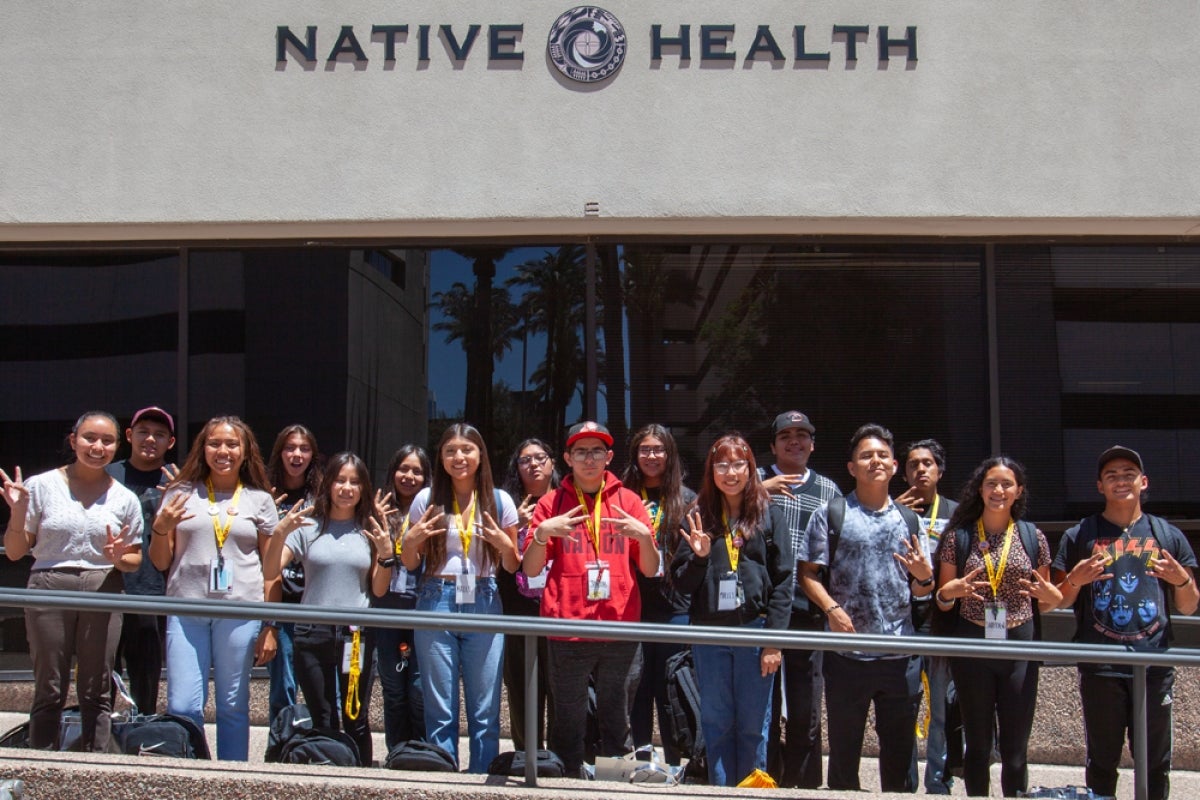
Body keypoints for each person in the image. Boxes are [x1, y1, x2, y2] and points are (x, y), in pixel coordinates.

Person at [1053, 446, 1198, 800]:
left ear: (1143, 482)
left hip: (1153, 664)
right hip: (1101, 665)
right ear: (1099, 486)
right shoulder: (1079, 536)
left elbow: (1190, 606)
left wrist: (1181, 581)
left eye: (1129, 473)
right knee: (1102, 761)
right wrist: (1076, 580)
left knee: (1155, 761)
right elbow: (1055, 601)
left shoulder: (1167, 535)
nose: (1121, 481)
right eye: (1112, 475)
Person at [800, 423, 934, 793]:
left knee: (901, 757)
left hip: (899, 654)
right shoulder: (831, 514)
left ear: (893, 466)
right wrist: (831, 609)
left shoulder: (910, 521)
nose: (874, 461)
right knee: (843, 756)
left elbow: (923, 591)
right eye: (865, 455)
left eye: (881, 455)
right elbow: (808, 574)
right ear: (851, 467)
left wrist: (924, 577)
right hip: (847, 656)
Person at [522, 421, 659, 778]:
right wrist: (541, 534)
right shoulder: (552, 503)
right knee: (567, 719)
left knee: (618, 717)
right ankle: (566, 782)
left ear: (609, 457)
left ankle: (613, 785)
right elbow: (531, 569)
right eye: (580, 451)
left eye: (596, 451)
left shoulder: (628, 501)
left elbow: (649, 568)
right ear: (567, 458)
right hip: (567, 627)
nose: (589, 459)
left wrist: (644, 537)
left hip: (620, 628)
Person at [1, 411, 142, 751]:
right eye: (89, 438)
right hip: (50, 582)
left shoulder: (125, 497)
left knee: (96, 686)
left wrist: (118, 557)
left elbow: (134, 560)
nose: (98, 447)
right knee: (50, 684)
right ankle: (43, 763)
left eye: (107, 441)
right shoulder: (40, 485)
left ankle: (96, 765)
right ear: (73, 440)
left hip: (103, 585)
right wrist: (18, 512)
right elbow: (17, 551)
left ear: (117, 446)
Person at [149, 415, 279, 761]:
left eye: (232, 444)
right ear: (202, 448)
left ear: (245, 451)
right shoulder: (180, 493)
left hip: (240, 611)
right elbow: (162, 562)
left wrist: (270, 625)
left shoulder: (259, 500)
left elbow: (271, 570)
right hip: (187, 609)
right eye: (214, 443)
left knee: (233, 704)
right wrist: (161, 528)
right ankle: (191, 775)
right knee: (182, 703)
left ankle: (232, 778)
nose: (223, 450)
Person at [934, 455, 1060, 797]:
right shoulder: (958, 536)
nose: (998, 490)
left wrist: (1054, 596)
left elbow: (1045, 602)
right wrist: (952, 592)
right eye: (991, 483)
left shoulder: (1033, 537)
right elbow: (942, 599)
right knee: (977, 746)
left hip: (1020, 641)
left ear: (1018, 491)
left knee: (1016, 750)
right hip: (973, 641)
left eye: (1007, 484)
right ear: (980, 488)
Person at [673, 433, 792, 786]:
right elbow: (680, 583)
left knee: (755, 724)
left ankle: (753, 791)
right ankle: (721, 790)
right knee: (716, 722)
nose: (730, 472)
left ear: (750, 469)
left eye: (738, 463)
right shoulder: (696, 516)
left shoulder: (769, 515)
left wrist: (774, 641)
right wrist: (699, 558)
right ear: (711, 471)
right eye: (721, 464)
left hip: (755, 632)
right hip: (710, 633)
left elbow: (784, 580)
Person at [400, 423, 519, 772]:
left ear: (481, 455)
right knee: (440, 706)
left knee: (485, 708)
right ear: (441, 456)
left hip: (484, 596)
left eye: (467, 449)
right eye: (450, 450)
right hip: (435, 596)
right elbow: (410, 563)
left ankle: (482, 777)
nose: (459, 457)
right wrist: (410, 541)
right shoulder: (426, 499)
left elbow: (513, 566)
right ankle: (444, 778)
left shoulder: (500, 500)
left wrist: (504, 545)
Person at [266, 452, 391, 765]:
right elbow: (270, 572)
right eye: (340, 480)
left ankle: (360, 778)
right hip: (312, 632)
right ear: (328, 484)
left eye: (354, 481)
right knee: (322, 715)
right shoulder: (309, 527)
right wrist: (280, 533)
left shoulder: (369, 529)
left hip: (356, 634)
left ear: (363, 488)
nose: (346, 488)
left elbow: (378, 588)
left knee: (355, 715)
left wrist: (387, 554)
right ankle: (327, 778)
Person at [759, 410, 840, 789]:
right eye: (786, 435)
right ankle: (767, 780)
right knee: (765, 705)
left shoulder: (829, 490)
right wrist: (759, 491)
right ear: (773, 444)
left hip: (808, 610)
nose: (795, 441)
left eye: (802, 435)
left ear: (812, 443)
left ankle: (805, 784)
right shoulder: (753, 479)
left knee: (806, 706)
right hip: (761, 612)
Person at [622, 424, 695, 765]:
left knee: (670, 687)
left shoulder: (689, 499)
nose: (651, 456)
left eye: (659, 449)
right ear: (635, 455)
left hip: (674, 607)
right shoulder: (622, 497)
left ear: (670, 454)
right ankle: (640, 759)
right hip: (631, 604)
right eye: (645, 450)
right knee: (636, 687)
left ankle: (675, 761)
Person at [896, 438, 959, 795]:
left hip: (941, 619)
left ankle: (938, 782)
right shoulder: (892, 509)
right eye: (913, 464)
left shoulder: (957, 512)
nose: (920, 469)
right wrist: (891, 511)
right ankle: (904, 782)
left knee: (940, 706)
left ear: (939, 470)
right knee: (903, 705)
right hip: (903, 617)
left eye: (927, 463)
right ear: (902, 472)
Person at [107, 406, 176, 714]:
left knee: (146, 676)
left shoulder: (178, 479)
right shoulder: (107, 475)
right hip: (108, 588)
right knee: (101, 673)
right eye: (143, 432)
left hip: (153, 591)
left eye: (159, 434)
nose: (151, 439)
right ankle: (97, 741)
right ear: (128, 436)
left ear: (170, 443)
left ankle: (141, 737)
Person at [499, 438, 559, 751]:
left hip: (560, 612)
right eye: (525, 460)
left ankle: (560, 759)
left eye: (540, 457)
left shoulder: (568, 502)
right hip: (518, 611)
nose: (533, 464)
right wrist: (514, 526)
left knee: (561, 690)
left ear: (552, 463)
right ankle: (527, 754)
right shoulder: (507, 506)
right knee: (523, 689)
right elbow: (497, 564)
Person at [371, 443, 429, 750]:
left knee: (419, 689)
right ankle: (397, 752)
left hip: (422, 612)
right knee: (393, 689)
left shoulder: (431, 512)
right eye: (403, 469)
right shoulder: (379, 510)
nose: (409, 476)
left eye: (417, 471)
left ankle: (420, 753)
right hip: (387, 611)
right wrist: (375, 519)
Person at [263, 424, 322, 724]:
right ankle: (280, 740)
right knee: (282, 686)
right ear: (279, 453)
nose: (297, 454)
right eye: (290, 448)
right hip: (280, 600)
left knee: (320, 684)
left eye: (304, 448)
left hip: (314, 601)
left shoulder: (323, 495)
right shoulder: (264, 493)